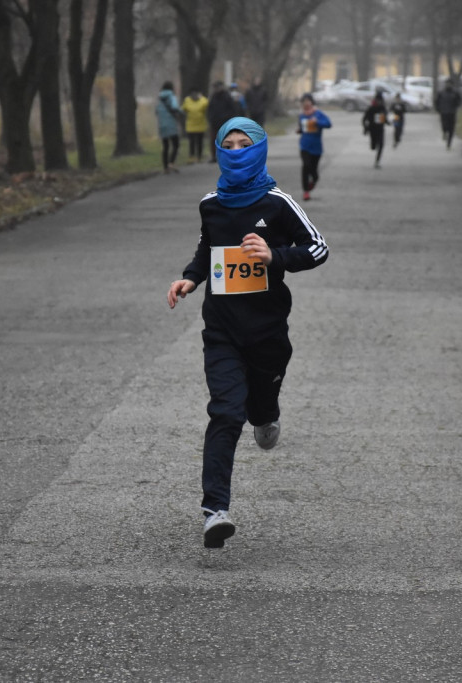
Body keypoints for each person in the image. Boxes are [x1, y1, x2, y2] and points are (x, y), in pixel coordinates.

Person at [166, 116, 329, 549]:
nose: (236, 151)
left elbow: (317, 248)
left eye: (244, 144)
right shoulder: (211, 203)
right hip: (221, 330)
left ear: (259, 149)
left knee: (258, 406)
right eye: (229, 145)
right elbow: (207, 248)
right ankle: (214, 511)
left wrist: (273, 255)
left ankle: (268, 412)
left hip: (268, 332)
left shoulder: (278, 202)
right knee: (225, 412)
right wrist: (190, 278)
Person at [297, 93, 332, 201]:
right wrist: (300, 130)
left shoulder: (318, 114)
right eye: (304, 101)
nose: (306, 103)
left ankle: (314, 180)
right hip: (304, 146)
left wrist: (318, 122)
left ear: (312, 102)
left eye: (308, 101)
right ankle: (306, 191)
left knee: (314, 171)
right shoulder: (301, 115)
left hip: (316, 148)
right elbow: (302, 128)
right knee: (306, 166)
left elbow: (329, 124)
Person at [207, 81, 242, 163]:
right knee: (213, 140)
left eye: (217, 87)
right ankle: (214, 156)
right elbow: (210, 109)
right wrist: (210, 118)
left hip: (225, 121)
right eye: (215, 87)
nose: (216, 89)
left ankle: (227, 156)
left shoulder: (227, 96)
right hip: (214, 121)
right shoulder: (213, 97)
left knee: (226, 140)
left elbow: (233, 109)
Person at [155, 81, 182, 173]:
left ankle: (165, 167)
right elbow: (174, 107)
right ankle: (171, 162)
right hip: (171, 124)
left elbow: (156, 111)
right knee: (176, 144)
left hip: (162, 125)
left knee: (165, 146)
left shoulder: (159, 98)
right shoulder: (172, 96)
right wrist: (181, 113)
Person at [181, 86, 209, 163]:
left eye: (196, 94)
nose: (194, 95)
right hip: (190, 125)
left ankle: (199, 156)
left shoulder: (203, 101)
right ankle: (191, 156)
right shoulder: (187, 100)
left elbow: (207, 109)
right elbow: (183, 110)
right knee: (192, 142)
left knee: (199, 142)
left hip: (201, 125)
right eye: (192, 94)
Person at [434, 79, 462, 150]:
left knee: (451, 129)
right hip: (444, 112)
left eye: (450, 84)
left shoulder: (455, 93)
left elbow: (459, 101)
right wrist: (438, 109)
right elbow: (437, 101)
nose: (448, 85)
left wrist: (456, 106)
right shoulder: (441, 93)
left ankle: (449, 143)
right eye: (447, 83)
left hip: (452, 113)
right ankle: (444, 133)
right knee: (444, 125)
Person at [362, 89, 387, 168]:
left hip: (380, 129)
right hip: (372, 129)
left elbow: (384, 118)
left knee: (381, 145)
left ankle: (377, 161)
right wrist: (365, 128)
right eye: (378, 100)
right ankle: (373, 145)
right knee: (373, 147)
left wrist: (387, 121)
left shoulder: (382, 108)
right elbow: (364, 119)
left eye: (381, 100)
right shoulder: (371, 108)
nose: (380, 102)